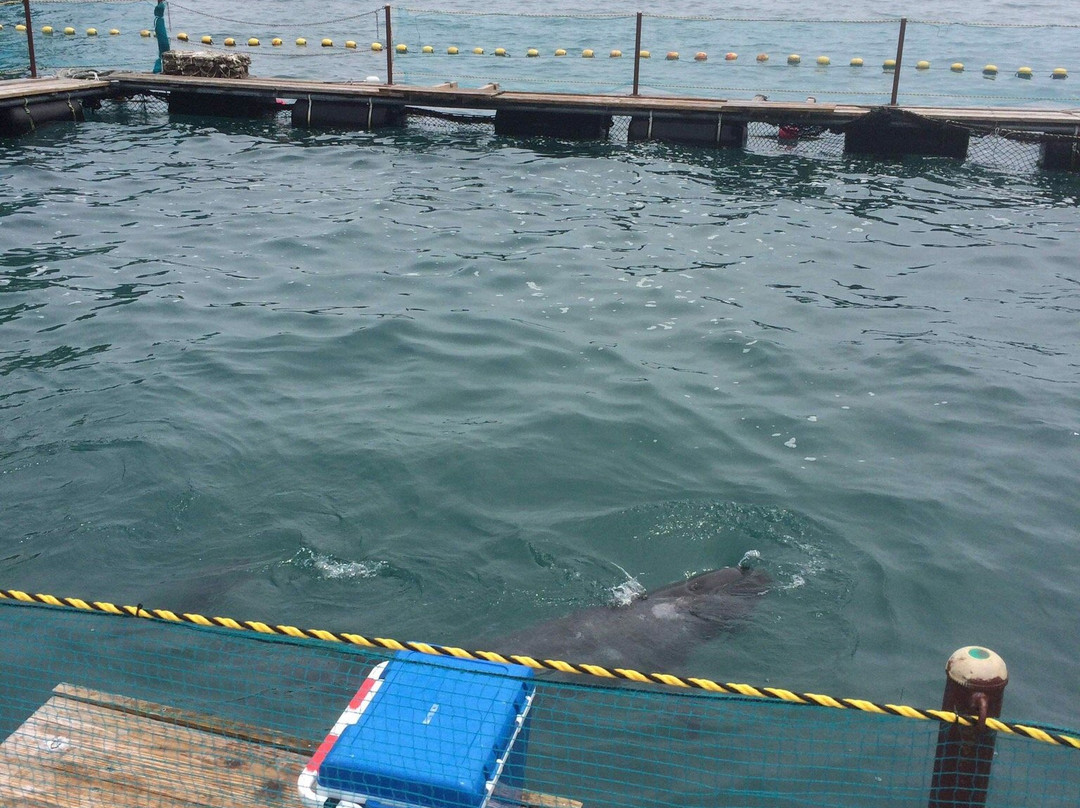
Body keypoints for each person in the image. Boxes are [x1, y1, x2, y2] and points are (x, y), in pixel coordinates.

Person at [152, 0, 170, 74]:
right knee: (164, 45)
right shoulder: (158, 18)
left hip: (160, 20)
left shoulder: (159, 18)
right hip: (159, 21)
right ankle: (160, 67)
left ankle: (162, 66)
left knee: (165, 45)